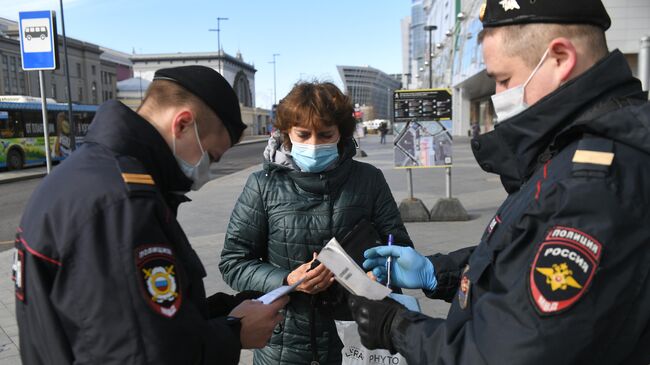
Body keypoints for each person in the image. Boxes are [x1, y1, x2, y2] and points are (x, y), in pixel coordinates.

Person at [347, 1, 650, 363]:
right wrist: (436, 272)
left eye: (504, 79)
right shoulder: (574, 148)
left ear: (559, 59)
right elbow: (520, 261)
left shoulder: (593, 184)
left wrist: (398, 328)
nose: (498, 96)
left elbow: (509, 354)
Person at [13, 65, 289, 364]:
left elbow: (129, 318)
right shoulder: (120, 205)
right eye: (210, 156)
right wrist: (233, 335)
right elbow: (137, 354)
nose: (207, 173)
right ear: (182, 124)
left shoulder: (88, 172)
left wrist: (227, 312)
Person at [219, 82, 413, 364]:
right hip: (282, 344)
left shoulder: (369, 180)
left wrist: (380, 272)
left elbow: (400, 247)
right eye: (303, 134)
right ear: (287, 133)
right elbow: (233, 262)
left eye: (325, 135)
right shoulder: (262, 185)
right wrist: (287, 279)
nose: (313, 144)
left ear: (341, 135)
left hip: (355, 340)